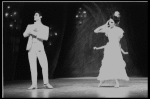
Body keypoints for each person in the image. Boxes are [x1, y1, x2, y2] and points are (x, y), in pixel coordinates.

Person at [93, 11, 129, 88]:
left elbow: (118, 43)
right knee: (107, 64)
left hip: (115, 49)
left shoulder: (119, 30)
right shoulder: (107, 29)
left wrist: (123, 51)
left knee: (115, 64)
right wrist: (104, 25)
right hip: (109, 48)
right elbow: (95, 31)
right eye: (109, 22)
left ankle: (116, 82)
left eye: (111, 22)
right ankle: (101, 81)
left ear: (115, 23)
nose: (110, 23)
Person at [23, 11, 53, 90]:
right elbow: (24, 34)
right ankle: (34, 85)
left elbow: (45, 37)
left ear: (40, 17)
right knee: (32, 67)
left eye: (36, 15)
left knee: (44, 65)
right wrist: (30, 30)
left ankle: (46, 83)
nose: (34, 16)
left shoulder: (45, 27)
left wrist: (35, 33)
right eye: (34, 15)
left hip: (39, 47)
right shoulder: (30, 26)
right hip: (31, 47)